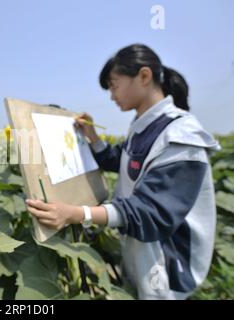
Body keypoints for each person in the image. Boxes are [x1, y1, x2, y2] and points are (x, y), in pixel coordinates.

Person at [25, 43, 221, 300]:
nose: (111, 96)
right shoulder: (144, 126)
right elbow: (126, 164)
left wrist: (76, 213)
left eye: (114, 85)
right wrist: (94, 139)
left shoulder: (181, 136)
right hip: (141, 253)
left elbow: (151, 212)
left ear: (144, 76)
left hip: (167, 265)